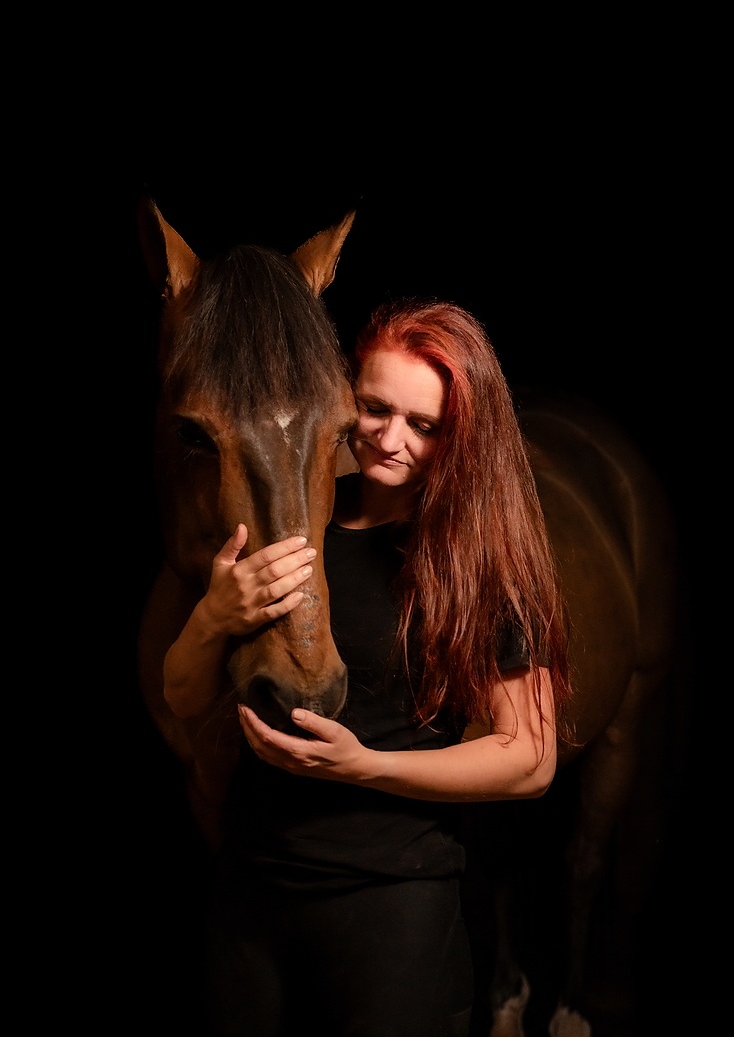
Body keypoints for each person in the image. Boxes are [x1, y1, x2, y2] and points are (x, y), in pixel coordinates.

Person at [163, 300, 570, 1037]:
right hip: (251, 893)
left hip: (394, 905)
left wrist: (362, 767)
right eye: (374, 409)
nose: (388, 440)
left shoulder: (480, 557)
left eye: (424, 425)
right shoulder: (292, 520)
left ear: (461, 434)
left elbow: (531, 760)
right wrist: (212, 617)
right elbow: (186, 700)